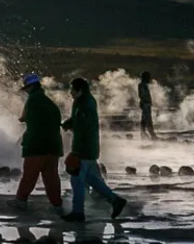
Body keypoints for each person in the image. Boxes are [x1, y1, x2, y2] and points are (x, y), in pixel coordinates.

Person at [62, 76, 126, 222]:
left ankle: (78, 212)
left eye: (72, 89)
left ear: (80, 90)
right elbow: (78, 121)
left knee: (76, 180)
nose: (70, 92)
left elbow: (84, 127)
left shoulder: (84, 104)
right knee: (91, 179)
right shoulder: (83, 102)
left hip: (84, 148)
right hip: (89, 147)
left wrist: (76, 151)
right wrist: (66, 124)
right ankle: (115, 200)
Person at [15, 72, 66, 212]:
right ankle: (57, 204)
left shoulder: (32, 101)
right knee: (51, 177)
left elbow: (25, 118)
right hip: (54, 146)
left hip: (36, 146)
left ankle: (20, 200)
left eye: (26, 89)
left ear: (30, 88)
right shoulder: (50, 103)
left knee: (29, 175)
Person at [138, 71, 157, 139]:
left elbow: (142, 96)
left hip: (146, 104)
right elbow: (142, 96)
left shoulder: (143, 85)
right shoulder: (142, 85)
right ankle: (152, 135)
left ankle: (143, 134)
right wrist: (145, 102)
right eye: (148, 78)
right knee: (148, 120)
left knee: (144, 120)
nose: (149, 79)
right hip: (146, 105)